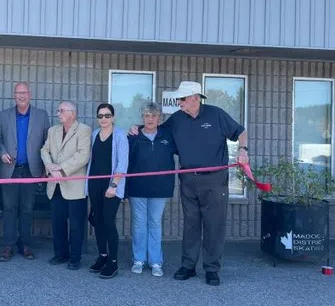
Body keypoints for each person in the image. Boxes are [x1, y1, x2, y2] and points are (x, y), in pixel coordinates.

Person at [129, 81, 249, 286]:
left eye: (182, 99)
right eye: (178, 99)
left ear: (195, 98)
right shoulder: (177, 118)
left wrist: (243, 150)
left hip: (214, 179)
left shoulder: (216, 114)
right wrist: (138, 128)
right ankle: (188, 265)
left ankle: (212, 269)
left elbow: (241, 132)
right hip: (187, 178)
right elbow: (157, 129)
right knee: (191, 223)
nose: (179, 102)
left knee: (214, 225)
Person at [0, 82, 50, 262]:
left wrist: (44, 170)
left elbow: (46, 143)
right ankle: (8, 245)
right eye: (18, 93)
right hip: (9, 170)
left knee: (27, 209)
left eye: (24, 92)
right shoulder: (3, 116)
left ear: (30, 94)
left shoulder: (42, 116)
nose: (21, 95)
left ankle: (25, 244)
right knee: (9, 208)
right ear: (14, 95)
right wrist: (2, 152)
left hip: (31, 170)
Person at [127, 102, 176, 277]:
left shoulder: (168, 136)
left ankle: (156, 261)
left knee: (154, 223)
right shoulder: (133, 136)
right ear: (142, 118)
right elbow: (127, 163)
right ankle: (138, 259)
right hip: (137, 187)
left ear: (159, 118)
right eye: (147, 116)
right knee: (139, 224)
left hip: (160, 187)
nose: (150, 119)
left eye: (154, 116)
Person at [41, 101, 92, 270]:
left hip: (74, 186)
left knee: (76, 225)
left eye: (61, 110)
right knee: (58, 222)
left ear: (73, 113)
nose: (58, 113)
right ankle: (60, 254)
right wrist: (50, 167)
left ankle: (75, 258)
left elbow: (83, 156)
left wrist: (61, 169)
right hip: (55, 184)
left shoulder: (84, 130)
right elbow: (44, 150)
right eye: (58, 110)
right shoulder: (52, 130)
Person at [85, 103, 128, 279]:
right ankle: (103, 255)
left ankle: (114, 262)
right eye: (100, 116)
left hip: (111, 186)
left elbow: (123, 163)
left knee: (108, 221)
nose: (104, 119)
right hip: (95, 185)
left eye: (107, 115)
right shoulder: (94, 135)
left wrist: (114, 185)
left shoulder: (120, 136)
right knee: (98, 221)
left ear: (113, 117)